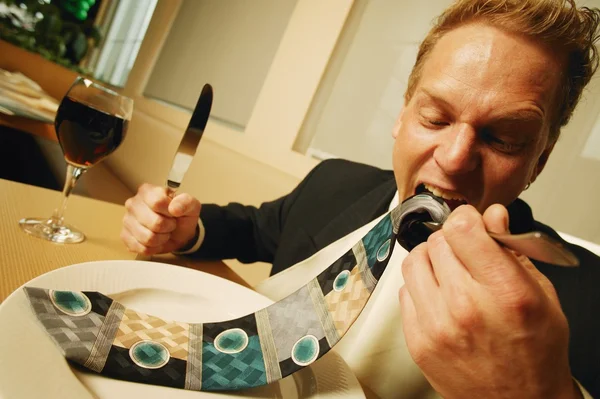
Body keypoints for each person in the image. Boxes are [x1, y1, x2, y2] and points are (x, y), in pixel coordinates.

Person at [121, 0, 600, 397]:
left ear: (539, 160)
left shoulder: (587, 300)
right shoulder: (333, 184)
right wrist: (183, 229)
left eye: (505, 139)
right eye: (435, 118)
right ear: (402, 116)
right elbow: (250, 227)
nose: (454, 159)